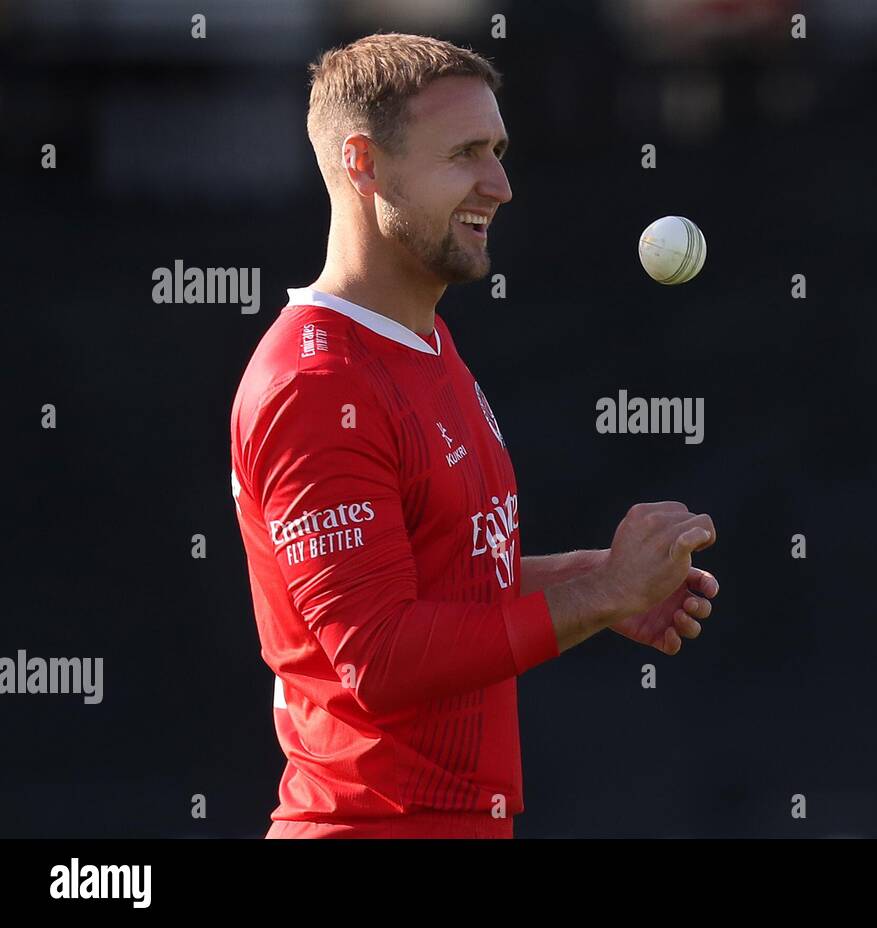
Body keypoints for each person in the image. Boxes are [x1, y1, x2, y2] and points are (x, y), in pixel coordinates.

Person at [229, 33, 719, 839]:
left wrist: (605, 585)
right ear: (364, 164)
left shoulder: (422, 342)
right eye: (464, 154)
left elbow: (438, 581)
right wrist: (596, 594)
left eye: (497, 150)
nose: (500, 184)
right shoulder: (319, 384)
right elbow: (378, 655)